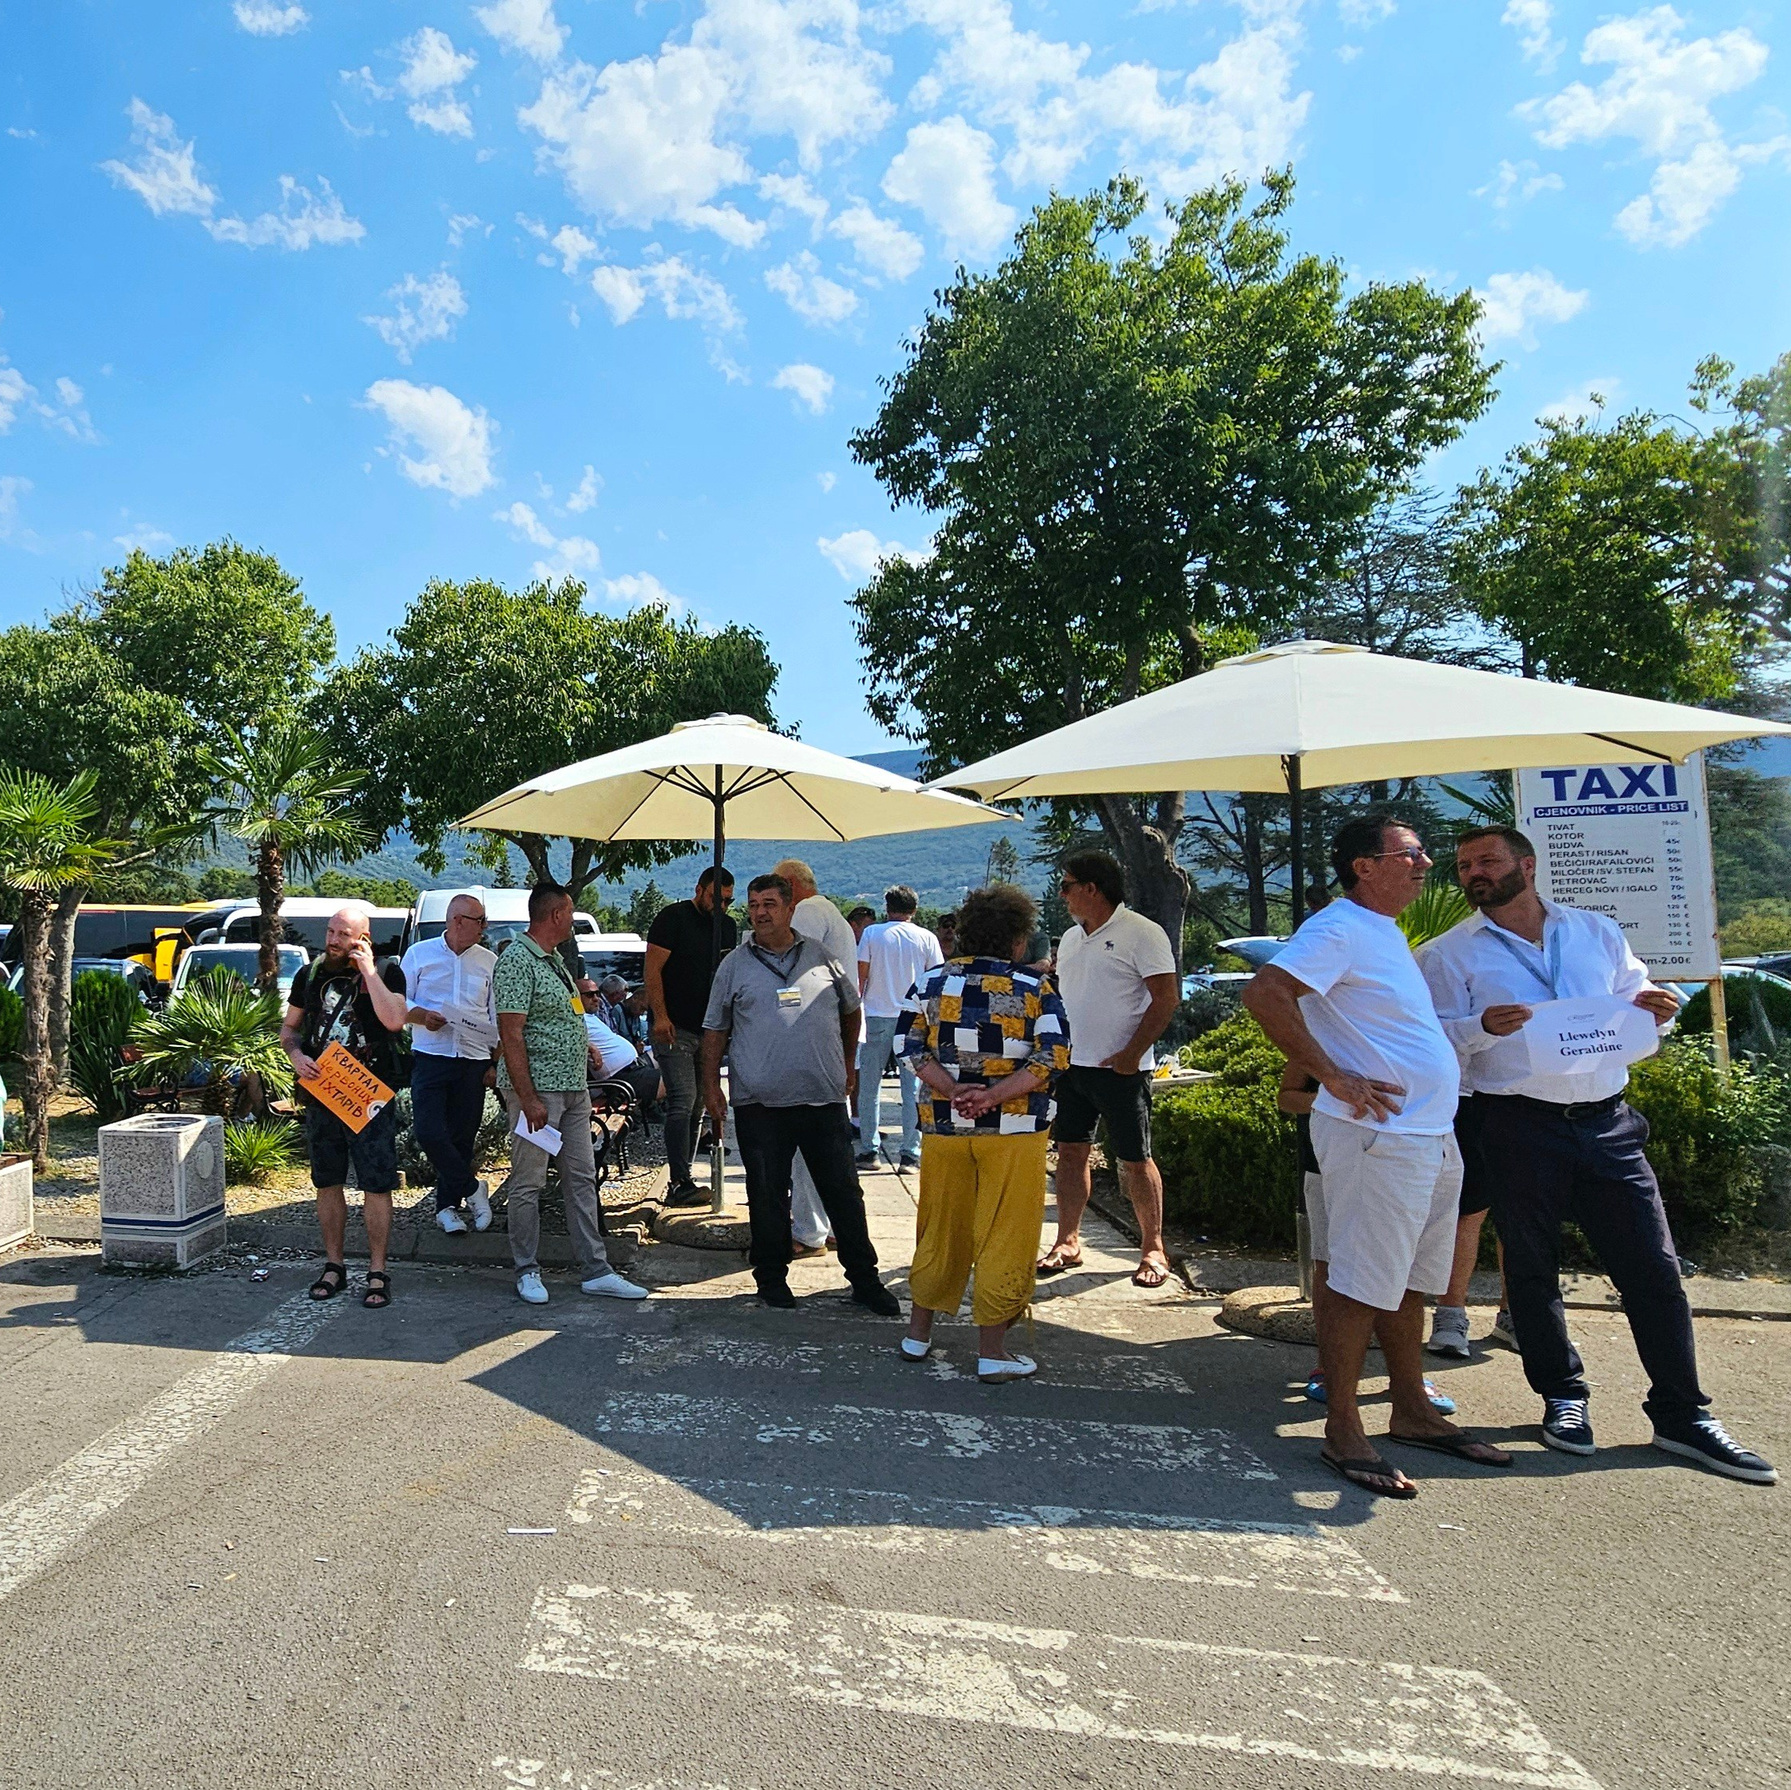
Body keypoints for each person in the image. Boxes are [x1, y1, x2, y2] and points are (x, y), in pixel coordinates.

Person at [1419, 825, 1776, 1483]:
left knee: (1653, 1268)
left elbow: (1638, 999)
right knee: (1531, 1270)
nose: (1473, 873)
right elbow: (1430, 1040)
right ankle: (1562, 1396)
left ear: (1526, 865)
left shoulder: (1594, 931)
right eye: (1464, 865)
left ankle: (1682, 1414)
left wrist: (1660, 1009)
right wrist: (1478, 1027)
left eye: (1487, 861)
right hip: (1515, 1124)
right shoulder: (1447, 954)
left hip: (1607, 1121)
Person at [1242, 816, 1512, 1497]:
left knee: (1406, 1278)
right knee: (1358, 1280)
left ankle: (1411, 1408)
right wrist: (1330, 1075)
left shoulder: (1381, 931)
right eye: (1409, 854)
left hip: (1425, 1133)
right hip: (1379, 1138)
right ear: (1364, 866)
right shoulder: (1339, 928)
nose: (1425, 864)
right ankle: (1342, 1428)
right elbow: (1265, 993)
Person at [700, 873, 899, 1315]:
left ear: (791, 909)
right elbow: (715, 1029)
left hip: (821, 1098)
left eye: (769, 904)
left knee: (843, 1193)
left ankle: (865, 1280)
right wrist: (711, 1086)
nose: (760, 913)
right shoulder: (734, 965)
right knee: (767, 1195)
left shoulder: (820, 956)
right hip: (759, 1102)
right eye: (754, 905)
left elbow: (851, 1010)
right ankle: (771, 1279)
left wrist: (846, 1063)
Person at [897, 883, 1071, 1382]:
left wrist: (955, 1090)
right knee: (1006, 1232)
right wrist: (993, 1096)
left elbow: (909, 1048)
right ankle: (993, 1351)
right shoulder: (1035, 988)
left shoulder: (930, 983)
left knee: (939, 1226)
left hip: (945, 1125)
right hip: (1015, 1129)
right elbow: (1053, 1056)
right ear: (1018, 939)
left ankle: (917, 1334)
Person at [494, 881, 649, 1307]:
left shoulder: (555, 961)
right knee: (528, 1183)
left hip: (574, 1087)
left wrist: (586, 1045)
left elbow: (567, 1014)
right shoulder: (517, 960)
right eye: (571, 912)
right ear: (556, 915)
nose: (573, 919)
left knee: (581, 1178)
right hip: (539, 1093)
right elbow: (511, 1033)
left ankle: (596, 1270)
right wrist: (528, 1099)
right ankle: (526, 1269)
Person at [1279, 1060, 1457, 1417]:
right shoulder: (1329, 1039)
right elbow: (1286, 1097)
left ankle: (1408, 1383)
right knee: (1332, 1263)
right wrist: (1335, 1098)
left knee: (1406, 1269)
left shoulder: (1416, 1036)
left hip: (1418, 1148)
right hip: (1336, 1158)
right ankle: (1329, 1373)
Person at [1038, 851, 1179, 1289]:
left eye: (1066, 886)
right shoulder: (1071, 937)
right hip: (1073, 1066)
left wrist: (1132, 1054)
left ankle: (1153, 1248)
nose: (1062, 895)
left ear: (1091, 888)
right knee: (1070, 1152)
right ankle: (1068, 1241)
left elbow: (1166, 998)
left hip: (1122, 1071)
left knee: (1135, 1159)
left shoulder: (1142, 932)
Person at [283, 904, 411, 1310]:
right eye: (330, 932)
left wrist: (368, 971)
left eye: (343, 934)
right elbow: (289, 1029)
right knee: (327, 1181)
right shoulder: (309, 975)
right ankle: (334, 1265)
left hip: (369, 1095)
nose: (333, 940)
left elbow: (395, 1021)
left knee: (376, 1184)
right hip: (324, 1093)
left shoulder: (387, 971)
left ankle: (377, 1270)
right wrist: (296, 1056)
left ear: (363, 938)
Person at [774, 858, 861, 1255]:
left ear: (791, 886)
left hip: (811, 1039)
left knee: (804, 1138)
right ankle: (831, 1224)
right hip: (831, 1038)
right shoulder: (833, 915)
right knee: (827, 1139)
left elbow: (791, 967)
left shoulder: (808, 911)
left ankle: (809, 1230)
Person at [401, 891, 497, 1238]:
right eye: (480, 921)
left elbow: (496, 1015)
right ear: (458, 921)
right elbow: (397, 1002)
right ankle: (473, 1188)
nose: (484, 928)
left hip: (473, 1058)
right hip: (431, 1055)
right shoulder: (419, 954)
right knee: (428, 1131)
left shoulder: (489, 961)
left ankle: (447, 1208)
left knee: (462, 1136)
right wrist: (422, 1016)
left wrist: (495, 1062)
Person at [644, 867, 737, 1206]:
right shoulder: (673, 918)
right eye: (716, 898)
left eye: (727, 900)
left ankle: (685, 1177)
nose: (721, 906)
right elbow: (652, 969)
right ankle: (679, 1180)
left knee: (699, 1103)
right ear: (699, 890)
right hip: (675, 1025)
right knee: (682, 1099)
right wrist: (661, 1016)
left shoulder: (727, 928)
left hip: (708, 1028)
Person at [855, 885, 944, 1168]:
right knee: (913, 1089)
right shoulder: (927, 938)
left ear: (887, 907)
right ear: (914, 909)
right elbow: (935, 980)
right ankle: (910, 1152)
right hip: (913, 1018)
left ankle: (870, 1149)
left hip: (877, 1015)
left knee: (870, 1087)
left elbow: (861, 977)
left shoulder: (872, 934)